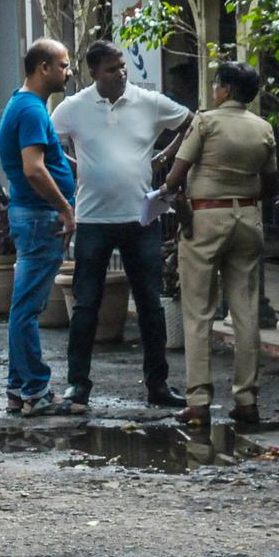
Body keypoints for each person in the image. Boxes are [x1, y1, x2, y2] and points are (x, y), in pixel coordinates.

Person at [51, 40, 192, 412]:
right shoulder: (74, 107)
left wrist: (165, 156)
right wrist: (74, 165)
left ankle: (158, 384)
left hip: (140, 218)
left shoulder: (149, 101)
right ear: (94, 73)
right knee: (85, 304)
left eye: (123, 66)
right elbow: (49, 142)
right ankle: (78, 385)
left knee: (149, 303)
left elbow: (192, 123)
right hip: (93, 219)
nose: (121, 73)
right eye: (112, 68)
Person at [158, 61, 277, 426]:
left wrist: (166, 197)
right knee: (245, 313)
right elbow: (271, 184)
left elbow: (176, 176)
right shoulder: (263, 128)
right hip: (248, 220)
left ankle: (198, 402)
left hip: (205, 220)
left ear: (224, 88)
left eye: (215, 85)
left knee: (199, 313)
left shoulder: (205, 122)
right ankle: (246, 400)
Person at [0, 38, 77, 417]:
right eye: (63, 65)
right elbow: (33, 168)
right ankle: (35, 390)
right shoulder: (30, 109)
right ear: (43, 68)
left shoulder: (24, 104)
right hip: (39, 217)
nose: (68, 71)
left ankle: (20, 387)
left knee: (24, 305)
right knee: (28, 308)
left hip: (33, 216)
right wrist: (65, 209)